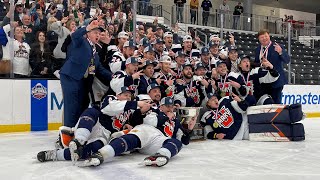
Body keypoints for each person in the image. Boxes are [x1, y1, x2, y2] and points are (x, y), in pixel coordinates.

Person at [80, 97, 195, 167]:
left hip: (159, 139)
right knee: (134, 138)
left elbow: (183, 141)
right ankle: (102, 154)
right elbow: (150, 121)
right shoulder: (155, 110)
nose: (170, 108)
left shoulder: (175, 120)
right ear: (161, 106)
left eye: (172, 106)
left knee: (177, 143)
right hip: (148, 130)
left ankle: (161, 156)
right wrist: (166, 117)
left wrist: (189, 130)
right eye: (167, 106)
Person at [59, 20, 113, 128]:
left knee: (79, 107)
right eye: (95, 32)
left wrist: (115, 77)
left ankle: (74, 131)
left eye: (99, 33)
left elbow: (101, 70)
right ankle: (66, 132)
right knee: (71, 106)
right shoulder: (82, 41)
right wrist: (87, 28)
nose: (97, 35)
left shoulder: (95, 54)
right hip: (70, 76)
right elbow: (75, 36)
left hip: (80, 81)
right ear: (88, 33)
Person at [254, 29, 290, 104]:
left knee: (276, 104)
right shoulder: (257, 50)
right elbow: (256, 63)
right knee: (266, 104)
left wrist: (281, 52)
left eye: (266, 36)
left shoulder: (277, 46)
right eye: (262, 37)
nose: (264, 38)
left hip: (276, 81)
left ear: (269, 36)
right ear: (259, 39)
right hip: (264, 82)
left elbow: (287, 60)